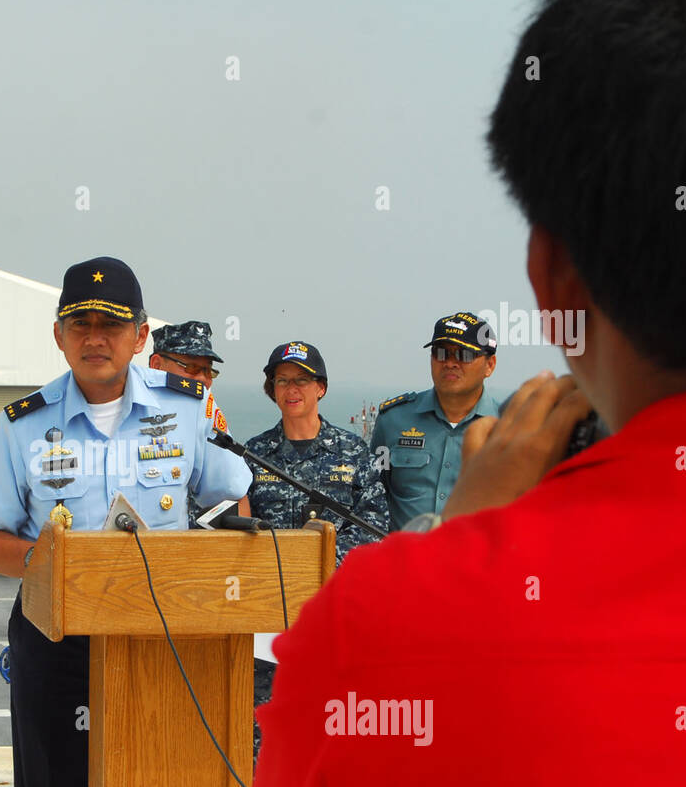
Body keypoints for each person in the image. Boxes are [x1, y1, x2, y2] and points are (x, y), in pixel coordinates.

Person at [232, 0, 686, 787]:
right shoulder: (384, 432)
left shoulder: (376, 630)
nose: (448, 366)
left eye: (463, 354)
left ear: (550, 282)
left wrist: (454, 551)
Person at [0, 256, 252, 787]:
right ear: (59, 336)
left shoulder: (186, 412)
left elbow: (235, 491)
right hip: (58, 645)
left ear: (141, 335)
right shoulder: (22, 425)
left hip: (164, 643)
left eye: (112, 325)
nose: (96, 337)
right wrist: (51, 558)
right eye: (80, 324)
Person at [243, 341, 388, 759]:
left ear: (320, 387)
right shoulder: (252, 455)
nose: (292, 389)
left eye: (302, 380)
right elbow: (235, 530)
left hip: (332, 622)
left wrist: (316, 564)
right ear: (272, 389)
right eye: (282, 380)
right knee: (264, 746)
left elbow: (375, 528)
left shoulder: (353, 453)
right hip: (268, 629)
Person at [370, 312, 500, 531]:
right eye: (440, 353)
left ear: (490, 365)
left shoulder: (508, 428)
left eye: (464, 355)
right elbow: (371, 497)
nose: (450, 363)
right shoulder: (392, 421)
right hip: (405, 562)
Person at [147, 320, 238, 525]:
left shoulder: (206, 416)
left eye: (208, 371)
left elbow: (235, 493)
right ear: (156, 365)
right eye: (191, 368)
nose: (203, 380)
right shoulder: (131, 413)